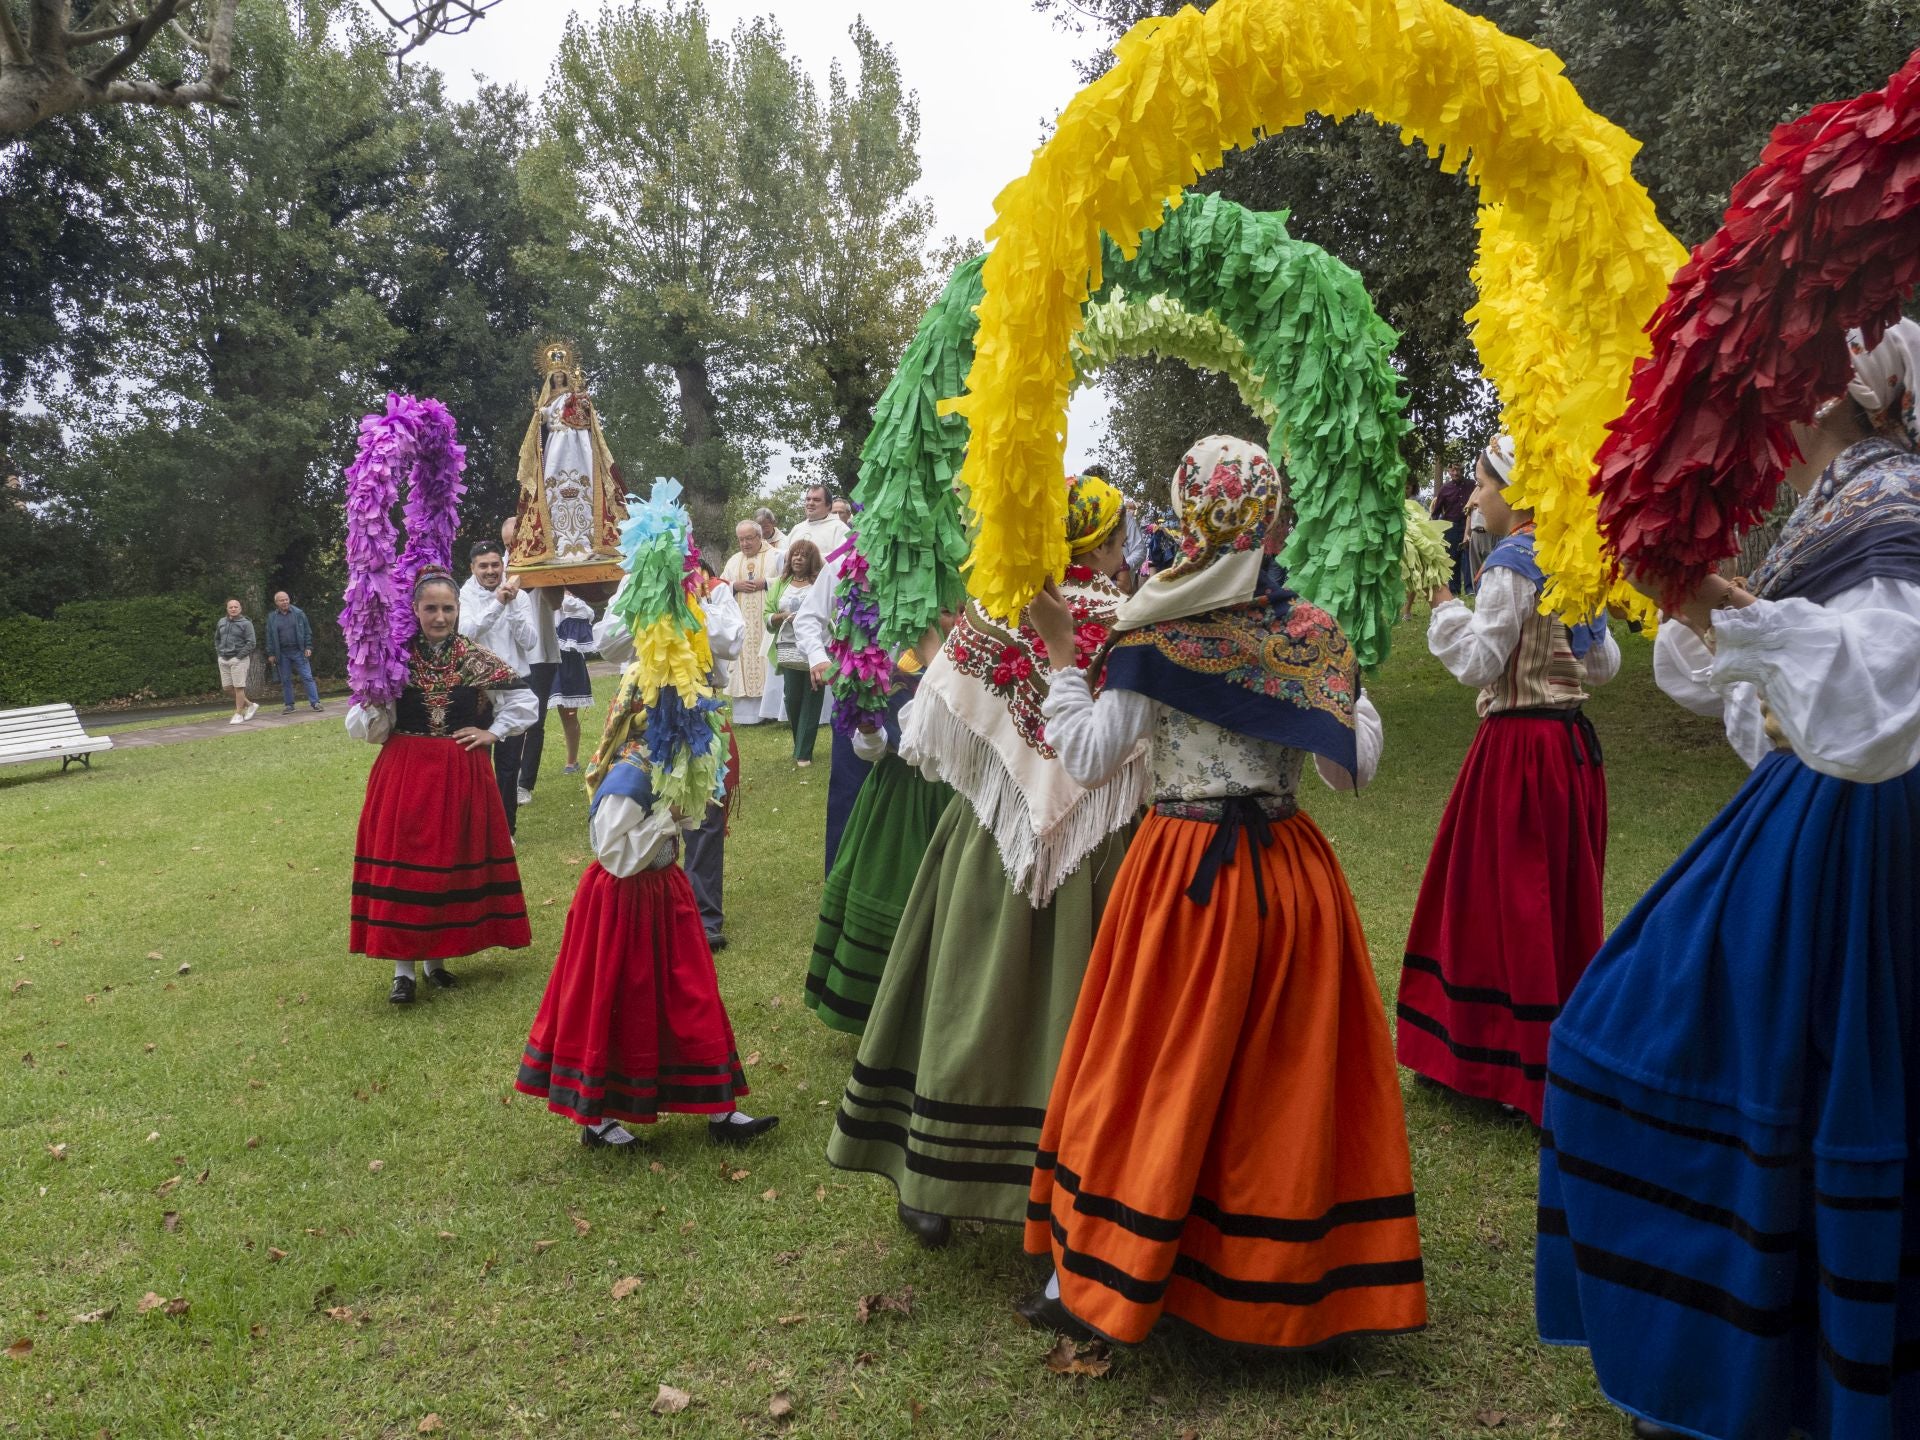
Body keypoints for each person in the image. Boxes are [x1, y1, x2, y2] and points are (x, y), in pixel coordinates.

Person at [1538, 322, 1920, 1440]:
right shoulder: (1843, 496)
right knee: (1729, 1079)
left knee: (1780, 1092)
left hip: (1859, 836)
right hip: (1817, 819)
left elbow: (1876, 703)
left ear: (1823, 387)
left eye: (1773, 371)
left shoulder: (1887, 494)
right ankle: (1787, 1365)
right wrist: (1697, 599)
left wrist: (1706, 601)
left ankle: (1807, 1379)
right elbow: (1770, 698)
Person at [1017, 436, 1421, 1350]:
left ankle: (1107, 1269)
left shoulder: (1151, 628)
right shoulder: (1307, 630)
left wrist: (1055, 652)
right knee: (1284, 1079)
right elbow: (1349, 770)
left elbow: (1085, 756)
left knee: (1154, 1071)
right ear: (1269, 515)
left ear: (1186, 514)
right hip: (1286, 874)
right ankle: (1290, 1283)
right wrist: (1341, 686)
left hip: (1182, 879)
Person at [825, 471, 1142, 1246]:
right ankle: (1079, 1175)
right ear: (1101, 540)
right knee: (1078, 1004)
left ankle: (933, 1179)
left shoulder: (994, 617)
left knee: (961, 986)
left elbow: (926, 729)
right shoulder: (1133, 621)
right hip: (1104, 848)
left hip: (986, 843)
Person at [514, 481, 775, 1150]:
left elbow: (716, 642)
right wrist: (673, 820)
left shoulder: (679, 741)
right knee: (618, 1006)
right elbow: (614, 851)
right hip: (624, 901)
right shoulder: (632, 774)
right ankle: (599, 1117)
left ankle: (721, 1108)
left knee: (692, 995)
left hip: (665, 895)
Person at [1395, 437, 1620, 1125]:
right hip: (1570, 753)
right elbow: (1604, 665)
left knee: (1503, 898)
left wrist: (1438, 597)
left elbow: (1475, 659)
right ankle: (1556, 1051)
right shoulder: (1569, 558)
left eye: (1484, 485)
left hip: (1519, 753)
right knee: (1553, 899)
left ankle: (1504, 1061)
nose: (1475, 499)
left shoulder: (1509, 563)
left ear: (1513, 492)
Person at [346, 565, 535, 1004]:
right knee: (406, 856)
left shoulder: (473, 655)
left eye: (447, 608)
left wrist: (493, 731)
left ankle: (437, 962)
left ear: (458, 609)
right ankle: (403, 970)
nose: (439, 616)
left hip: (458, 771)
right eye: (430, 608)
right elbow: (368, 727)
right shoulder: (395, 658)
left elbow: (524, 699)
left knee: (449, 859)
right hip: (405, 771)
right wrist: (374, 702)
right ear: (414, 610)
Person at [803, 643, 953, 1037]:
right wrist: (869, 729)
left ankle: (938, 1013)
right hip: (895, 805)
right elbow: (871, 748)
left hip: (956, 798)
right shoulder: (887, 659)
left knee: (949, 905)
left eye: (955, 610)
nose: (949, 618)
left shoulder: (969, 657)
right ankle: (880, 1009)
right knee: (891, 892)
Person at [505, 340, 627, 570]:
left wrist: (581, 404)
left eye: (562, 376)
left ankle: (592, 543)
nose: (559, 380)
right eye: (555, 377)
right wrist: (540, 417)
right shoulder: (547, 400)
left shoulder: (575, 396)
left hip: (578, 445)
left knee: (587, 486)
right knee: (553, 489)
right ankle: (557, 544)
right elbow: (540, 425)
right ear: (550, 379)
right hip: (555, 447)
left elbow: (588, 419)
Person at [677, 554, 746, 951]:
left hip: (702, 707)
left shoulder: (716, 592)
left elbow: (730, 642)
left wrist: (692, 601)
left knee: (705, 812)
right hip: (649, 708)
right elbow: (610, 642)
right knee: (651, 810)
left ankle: (703, 917)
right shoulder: (637, 587)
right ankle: (659, 909)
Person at [458, 540, 537, 834]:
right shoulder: (464, 594)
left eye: (495, 565)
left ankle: (506, 831)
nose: (491, 571)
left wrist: (513, 605)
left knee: (507, 766)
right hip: (477, 691)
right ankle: (478, 829)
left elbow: (529, 642)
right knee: (478, 764)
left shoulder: (520, 596)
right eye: (484, 566)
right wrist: (498, 603)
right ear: (473, 568)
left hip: (513, 686)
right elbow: (466, 633)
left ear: (502, 566)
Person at [766, 539, 826, 766]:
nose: (798, 558)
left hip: (815, 649)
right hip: (789, 648)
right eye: (795, 554)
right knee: (792, 698)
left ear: (812, 560)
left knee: (812, 696)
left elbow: (831, 610)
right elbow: (768, 614)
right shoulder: (782, 583)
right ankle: (800, 742)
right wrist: (781, 617)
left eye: (803, 555)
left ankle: (803, 752)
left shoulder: (821, 582)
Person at [721, 520, 780, 724]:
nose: (745, 544)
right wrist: (734, 586)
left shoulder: (775, 556)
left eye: (749, 538)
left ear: (759, 537)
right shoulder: (733, 561)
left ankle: (771, 713)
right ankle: (747, 717)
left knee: (767, 662)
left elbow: (788, 581)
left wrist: (766, 583)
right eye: (741, 540)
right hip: (743, 623)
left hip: (766, 625)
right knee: (744, 662)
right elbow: (720, 587)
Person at [549, 590, 597, 774]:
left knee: (568, 714)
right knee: (532, 715)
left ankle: (572, 761)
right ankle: (522, 766)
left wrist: (566, 596)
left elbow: (585, 612)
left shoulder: (577, 603)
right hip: (543, 657)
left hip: (569, 661)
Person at [264, 591, 321, 713]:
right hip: (282, 653)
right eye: (281, 600)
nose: (284, 602)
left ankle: (315, 703)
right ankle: (289, 705)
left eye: (286, 599)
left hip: (299, 651)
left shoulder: (299, 613)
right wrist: (271, 653)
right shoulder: (272, 617)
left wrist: (308, 647)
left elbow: (307, 632)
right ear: (276, 602)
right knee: (285, 680)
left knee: (307, 677)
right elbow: (269, 636)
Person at [215, 599, 258, 725]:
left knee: (239, 687)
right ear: (227, 609)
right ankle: (250, 705)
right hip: (223, 659)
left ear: (240, 608)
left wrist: (239, 657)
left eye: (236, 607)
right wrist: (219, 653)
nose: (233, 609)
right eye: (230, 607)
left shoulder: (246, 623)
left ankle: (238, 713)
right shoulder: (221, 622)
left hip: (239, 659)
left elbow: (251, 643)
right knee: (227, 688)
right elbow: (217, 639)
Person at [1432, 463, 1473, 592]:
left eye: (1459, 470)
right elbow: (1436, 511)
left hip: (1468, 524)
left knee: (1468, 556)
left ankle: (1469, 589)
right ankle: (1454, 590)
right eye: (1453, 470)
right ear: (1449, 471)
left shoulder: (1471, 485)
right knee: (1453, 557)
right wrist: (1433, 529)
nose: (1456, 473)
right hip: (1451, 526)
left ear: (1463, 470)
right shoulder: (1445, 489)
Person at [785, 483, 849, 561]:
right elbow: (783, 556)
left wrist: (810, 560)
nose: (810, 503)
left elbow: (843, 557)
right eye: (808, 499)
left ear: (828, 505)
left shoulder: (840, 528)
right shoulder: (797, 528)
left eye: (816, 500)